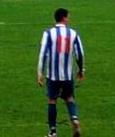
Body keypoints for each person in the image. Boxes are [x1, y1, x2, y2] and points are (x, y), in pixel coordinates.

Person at [37, 7, 85, 137]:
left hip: (52, 75)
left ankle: (52, 131)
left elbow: (43, 54)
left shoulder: (48, 33)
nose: (69, 19)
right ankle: (74, 119)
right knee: (69, 98)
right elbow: (79, 53)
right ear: (63, 18)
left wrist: (40, 73)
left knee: (52, 100)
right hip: (68, 75)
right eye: (68, 17)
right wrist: (81, 69)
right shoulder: (73, 33)